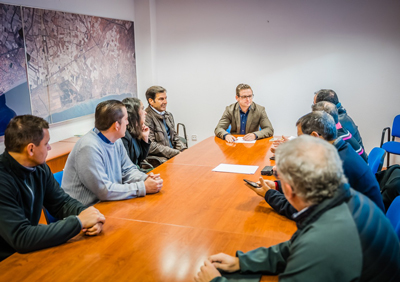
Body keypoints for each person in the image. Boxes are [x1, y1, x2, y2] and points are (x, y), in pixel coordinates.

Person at [195, 136, 400, 282]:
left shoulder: (322, 243)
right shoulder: (346, 198)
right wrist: (242, 262)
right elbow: (294, 246)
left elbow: (309, 247)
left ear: (288, 189)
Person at [0, 115, 105, 262]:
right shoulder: (3, 181)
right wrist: (79, 222)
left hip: (26, 253)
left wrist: (88, 215)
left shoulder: (39, 168)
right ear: (31, 149)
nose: (49, 147)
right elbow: (21, 237)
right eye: (46, 143)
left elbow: (61, 203)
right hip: (7, 261)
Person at [253, 111, 385, 217]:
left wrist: (269, 194)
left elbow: (304, 210)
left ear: (315, 136)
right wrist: (277, 186)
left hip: (360, 239)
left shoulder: (337, 165)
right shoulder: (340, 149)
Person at [62, 100, 163, 206]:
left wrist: (146, 179)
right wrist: (143, 187)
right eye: (126, 119)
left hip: (107, 203)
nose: (128, 123)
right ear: (116, 125)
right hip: (86, 210)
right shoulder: (88, 147)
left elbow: (128, 170)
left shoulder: (116, 140)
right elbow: (104, 190)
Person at [144, 86, 186, 160]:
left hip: (174, 155)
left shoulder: (168, 115)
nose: (165, 102)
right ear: (151, 101)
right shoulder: (146, 117)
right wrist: (175, 153)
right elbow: (151, 146)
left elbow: (175, 137)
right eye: (161, 99)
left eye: (165, 98)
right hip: (161, 159)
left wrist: (184, 150)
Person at [121, 97, 151, 168]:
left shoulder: (135, 130)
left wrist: (145, 137)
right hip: (132, 175)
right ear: (134, 113)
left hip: (136, 173)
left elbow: (142, 158)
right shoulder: (124, 135)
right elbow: (127, 167)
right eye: (142, 109)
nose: (145, 112)